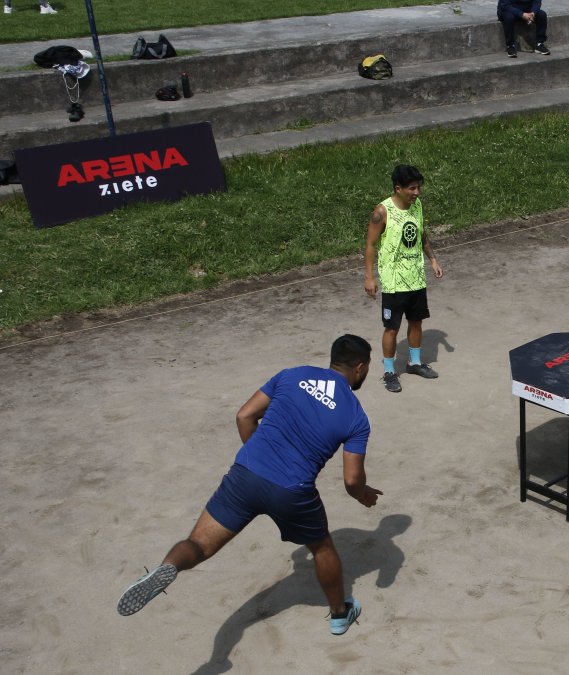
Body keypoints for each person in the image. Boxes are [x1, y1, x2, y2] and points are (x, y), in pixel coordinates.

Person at [117, 335, 383, 636]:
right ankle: (339, 614)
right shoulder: (356, 416)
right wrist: (363, 494)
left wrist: (259, 459)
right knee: (322, 547)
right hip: (292, 492)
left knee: (198, 545)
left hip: (245, 475)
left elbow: (244, 415)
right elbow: (351, 480)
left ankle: (168, 568)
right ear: (360, 368)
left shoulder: (292, 375)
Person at [364, 164, 444, 393]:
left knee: (416, 321)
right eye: (412, 188)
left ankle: (415, 363)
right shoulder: (382, 212)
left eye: (418, 187)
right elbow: (370, 245)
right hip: (393, 282)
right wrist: (369, 277)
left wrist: (433, 260)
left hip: (416, 278)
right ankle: (389, 371)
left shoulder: (416, 205)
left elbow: (421, 233)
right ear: (398, 188)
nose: (417, 193)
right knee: (392, 327)